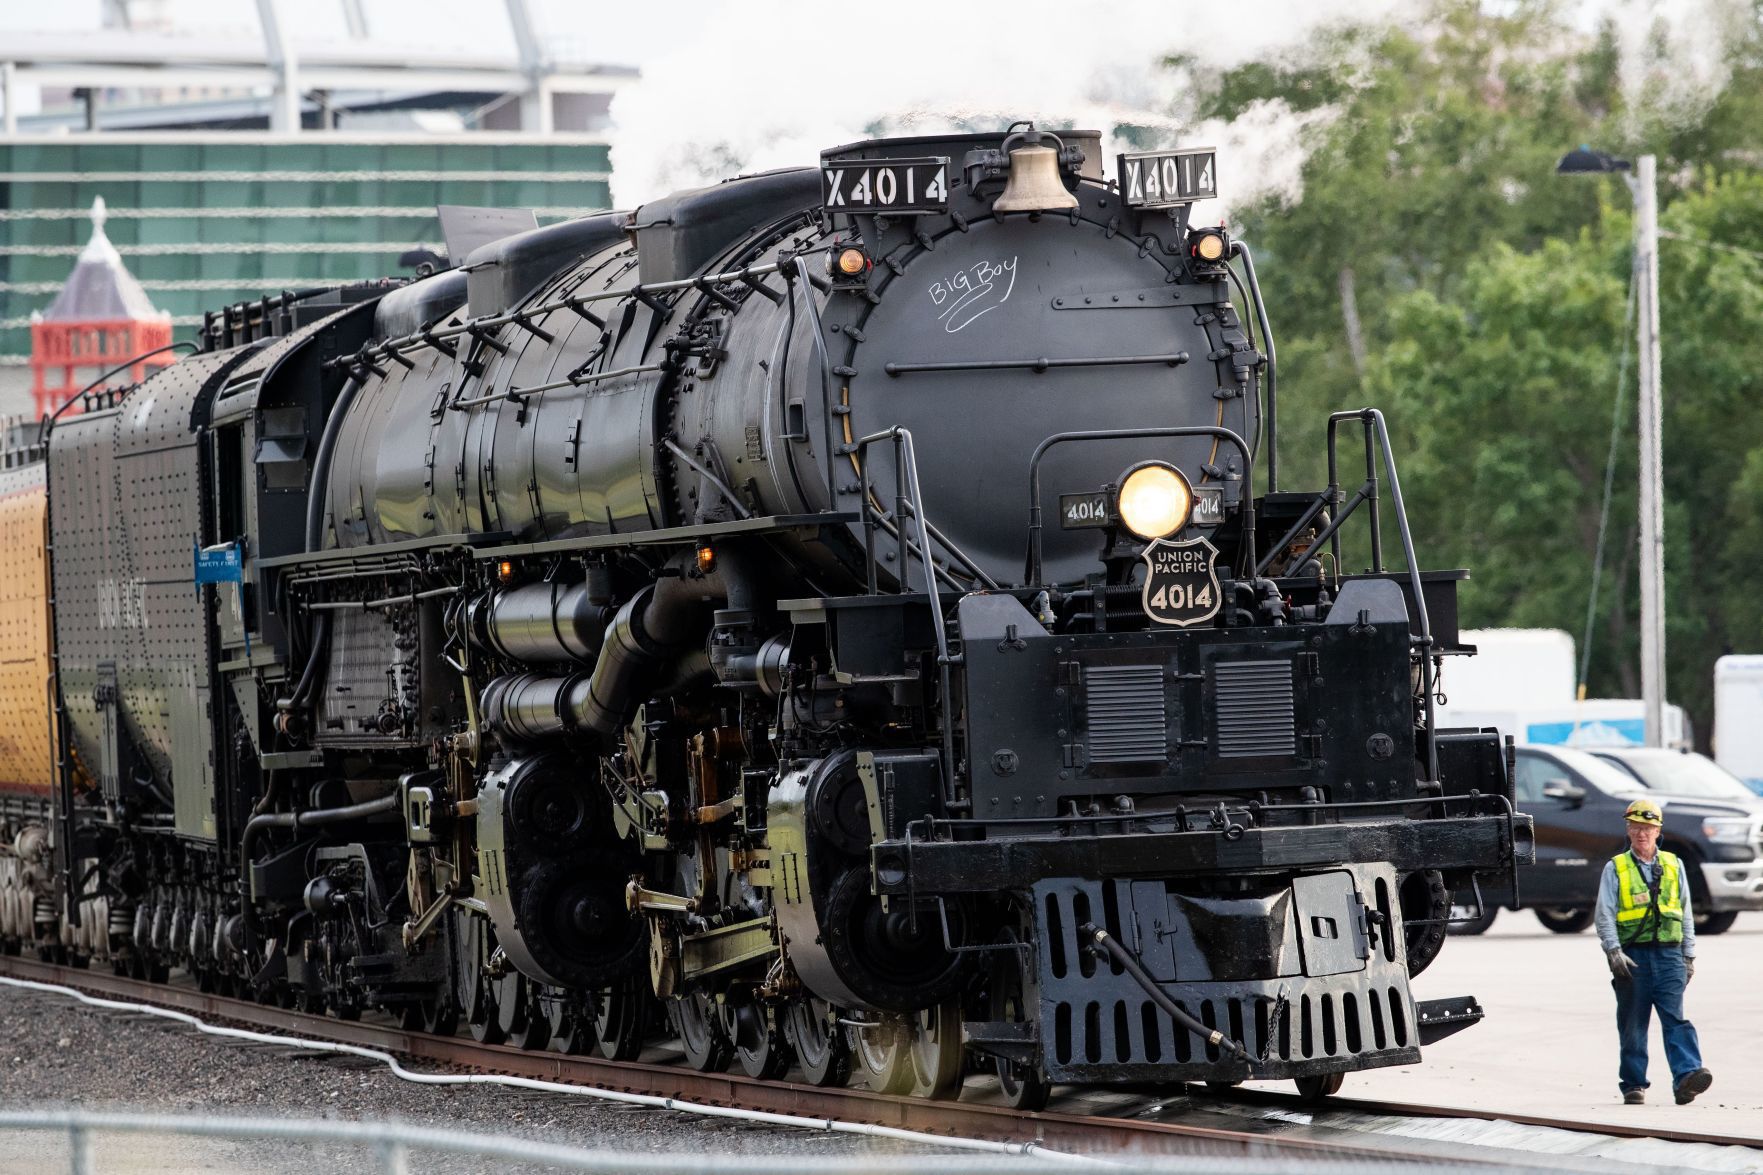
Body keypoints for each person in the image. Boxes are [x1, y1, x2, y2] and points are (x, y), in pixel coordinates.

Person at [1593, 796, 1713, 1106]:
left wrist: (1689, 955)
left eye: (1648, 827)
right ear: (1628, 830)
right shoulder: (1616, 867)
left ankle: (1687, 1077)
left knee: (1676, 1019)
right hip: (1634, 957)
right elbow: (1604, 913)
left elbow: (1685, 912)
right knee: (1633, 1023)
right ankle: (1634, 1084)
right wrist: (1613, 951)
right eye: (1635, 827)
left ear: (1658, 831)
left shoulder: (1674, 865)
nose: (1642, 833)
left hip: (1671, 955)